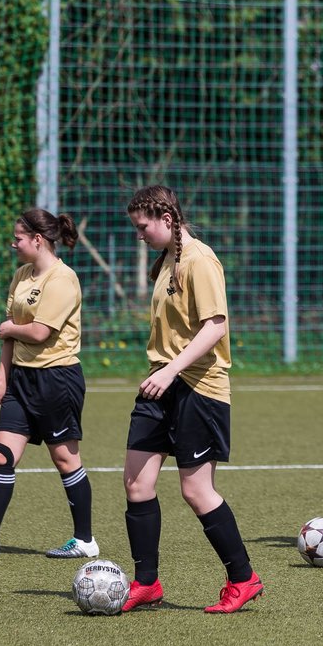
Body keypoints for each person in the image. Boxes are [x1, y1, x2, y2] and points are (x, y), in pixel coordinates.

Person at [120, 185, 262, 613]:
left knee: (196, 490)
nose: (139, 235)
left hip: (199, 387)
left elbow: (215, 326)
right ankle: (146, 583)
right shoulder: (167, 260)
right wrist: (162, 373)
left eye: (143, 226)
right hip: (160, 384)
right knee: (136, 483)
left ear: (166, 218)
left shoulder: (199, 259)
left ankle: (243, 578)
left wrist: (170, 370)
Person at [0, 209, 96, 560]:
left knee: (64, 460)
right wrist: (1, 378)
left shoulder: (62, 279)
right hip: (21, 380)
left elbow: (39, 333)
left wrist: (9, 328)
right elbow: (10, 330)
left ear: (38, 240)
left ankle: (85, 540)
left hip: (57, 379)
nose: (14, 244)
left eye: (19, 238)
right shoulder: (22, 275)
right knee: (2, 455)